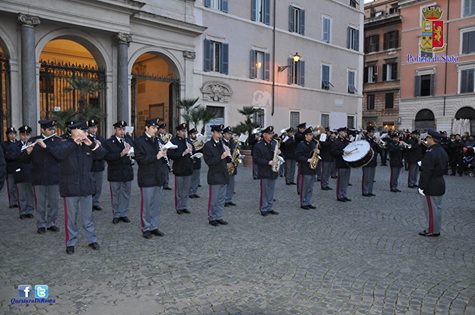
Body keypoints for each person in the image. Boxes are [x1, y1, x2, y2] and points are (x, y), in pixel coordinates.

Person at [56, 122, 106, 254]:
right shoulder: (63, 142)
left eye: (84, 130)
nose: (84, 132)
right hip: (70, 187)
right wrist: (74, 142)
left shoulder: (88, 144)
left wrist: (91, 144)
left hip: (86, 186)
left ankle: (92, 239)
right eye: (81, 130)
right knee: (71, 218)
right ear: (72, 131)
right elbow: (59, 155)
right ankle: (70, 242)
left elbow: (102, 154)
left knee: (87, 217)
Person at [25, 120, 62, 233]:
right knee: (40, 203)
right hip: (38, 177)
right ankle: (41, 224)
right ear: (43, 130)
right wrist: (28, 152)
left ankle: (51, 223)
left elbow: (59, 156)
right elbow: (25, 160)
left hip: (53, 176)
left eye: (53, 129)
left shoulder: (57, 141)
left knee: (54, 203)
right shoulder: (33, 140)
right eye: (50, 129)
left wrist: (45, 146)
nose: (53, 131)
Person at [134, 118, 168, 239]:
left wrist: (164, 154)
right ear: (147, 128)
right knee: (147, 204)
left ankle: (154, 226)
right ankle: (146, 227)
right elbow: (141, 159)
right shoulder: (139, 141)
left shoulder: (157, 140)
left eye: (156, 128)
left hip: (158, 176)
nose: (155, 130)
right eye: (153, 128)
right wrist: (156, 156)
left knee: (156, 204)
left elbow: (159, 158)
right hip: (147, 177)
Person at [418, 129, 449, 237]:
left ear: (432, 139)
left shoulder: (430, 152)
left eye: (427, 138)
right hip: (439, 182)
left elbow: (426, 172)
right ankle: (436, 228)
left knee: (431, 210)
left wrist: (421, 187)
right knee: (437, 208)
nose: (426, 140)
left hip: (431, 184)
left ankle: (432, 230)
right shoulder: (441, 150)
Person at [103, 121, 134, 224]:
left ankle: (124, 213)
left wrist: (132, 154)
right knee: (115, 194)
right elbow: (107, 157)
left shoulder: (129, 140)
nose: (122, 131)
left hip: (127, 171)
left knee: (126, 194)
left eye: (123, 129)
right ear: (115, 130)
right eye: (120, 129)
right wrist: (121, 154)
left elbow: (135, 152)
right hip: (115, 172)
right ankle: (116, 214)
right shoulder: (109, 142)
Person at [203, 124, 230, 226]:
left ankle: (219, 216)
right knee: (213, 199)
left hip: (223, 174)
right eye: (218, 133)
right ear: (213, 133)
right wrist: (221, 156)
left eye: (220, 133)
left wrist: (229, 156)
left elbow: (226, 159)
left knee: (221, 198)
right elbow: (209, 161)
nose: (219, 135)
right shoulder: (208, 146)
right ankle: (212, 217)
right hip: (214, 175)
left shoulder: (222, 144)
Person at [6, 125, 35, 219]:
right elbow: (12, 156)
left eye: (27, 134)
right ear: (20, 135)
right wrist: (23, 151)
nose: (25, 136)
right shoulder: (15, 145)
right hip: (20, 171)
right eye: (23, 134)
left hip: (30, 171)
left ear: (30, 135)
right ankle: (23, 211)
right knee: (21, 193)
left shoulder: (33, 145)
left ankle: (30, 210)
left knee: (30, 192)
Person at [253, 126, 280, 216]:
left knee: (271, 190)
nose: (271, 135)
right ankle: (264, 208)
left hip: (273, 171)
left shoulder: (274, 143)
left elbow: (277, 154)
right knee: (265, 191)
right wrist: (268, 162)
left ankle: (270, 207)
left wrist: (279, 154)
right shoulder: (258, 145)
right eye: (269, 134)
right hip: (264, 170)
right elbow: (256, 159)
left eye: (271, 133)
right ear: (264, 135)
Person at [168, 123, 194, 214]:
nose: (184, 133)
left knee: (186, 189)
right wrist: (182, 153)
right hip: (179, 168)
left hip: (188, 167)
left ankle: (184, 206)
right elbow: (170, 155)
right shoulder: (173, 142)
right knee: (179, 190)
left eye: (185, 131)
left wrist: (192, 152)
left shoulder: (188, 141)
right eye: (182, 131)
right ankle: (178, 207)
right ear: (178, 132)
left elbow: (193, 150)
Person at [295, 127, 317, 209]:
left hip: (312, 168)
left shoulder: (313, 144)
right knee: (304, 187)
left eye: (312, 135)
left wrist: (317, 154)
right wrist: (308, 159)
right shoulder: (301, 144)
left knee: (310, 187)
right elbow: (298, 156)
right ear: (306, 136)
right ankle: (303, 203)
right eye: (310, 135)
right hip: (304, 168)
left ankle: (308, 202)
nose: (312, 136)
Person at [87, 119, 106, 211]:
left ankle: (96, 202)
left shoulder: (101, 138)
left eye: (95, 127)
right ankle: (89, 203)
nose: (94, 129)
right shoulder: (86, 139)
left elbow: (105, 152)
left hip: (99, 165)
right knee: (90, 185)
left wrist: (100, 146)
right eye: (91, 127)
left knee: (98, 186)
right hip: (90, 165)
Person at [331, 127, 351, 202]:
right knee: (341, 181)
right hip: (340, 163)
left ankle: (344, 194)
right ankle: (339, 195)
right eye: (344, 132)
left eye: (346, 132)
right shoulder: (336, 142)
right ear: (340, 133)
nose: (345, 134)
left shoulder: (347, 141)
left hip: (347, 163)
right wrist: (343, 152)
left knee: (346, 181)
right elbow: (333, 152)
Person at [361, 128, 381, 197]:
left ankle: (370, 191)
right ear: (368, 133)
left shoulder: (374, 140)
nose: (373, 134)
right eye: (372, 132)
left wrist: (378, 143)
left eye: (373, 132)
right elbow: (367, 147)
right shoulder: (364, 139)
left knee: (371, 178)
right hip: (366, 161)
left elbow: (379, 150)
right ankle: (365, 191)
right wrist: (374, 142)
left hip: (373, 161)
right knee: (366, 177)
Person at [3, 127, 19, 208]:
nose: (12, 135)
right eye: (10, 134)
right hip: (10, 168)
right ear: (7, 135)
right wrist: (14, 156)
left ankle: (18, 201)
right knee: (11, 186)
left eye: (13, 133)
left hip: (19, 168)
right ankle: (12, 202)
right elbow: (5, 156)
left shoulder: (19, 143)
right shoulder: (4, 144)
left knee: (18, 186)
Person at [222, 126, 237, 207]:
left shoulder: (232, 142)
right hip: (225, 164)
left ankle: (229, 199)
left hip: (232, 164)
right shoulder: (221, 142)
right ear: (224, 134)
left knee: (231, 184)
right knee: (225, 183)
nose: (230, 135)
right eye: (228, 134)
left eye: (230, 134)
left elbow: (234, 151)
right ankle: (224, 200)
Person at [157, 123, 172, 190]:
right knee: (160, 170)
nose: (164, 130)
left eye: (164, 129)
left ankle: (166, 184)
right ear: (159, 129)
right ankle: (160, 183)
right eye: (162, 129)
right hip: (160, 155)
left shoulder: (167, 136)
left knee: (166, 170)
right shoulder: (157, 136)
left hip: (166, 154)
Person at [188, 128, 202, 199]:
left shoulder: (198, 141)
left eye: (196, 133)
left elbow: (202, 150)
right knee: (191, 178)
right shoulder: (188, 141)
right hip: (190, 162)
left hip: (197, 161)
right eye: (194, 134)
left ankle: (194, 192)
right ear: (190, 134)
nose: (195, 135)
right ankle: (190, 192)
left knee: (196, 178)